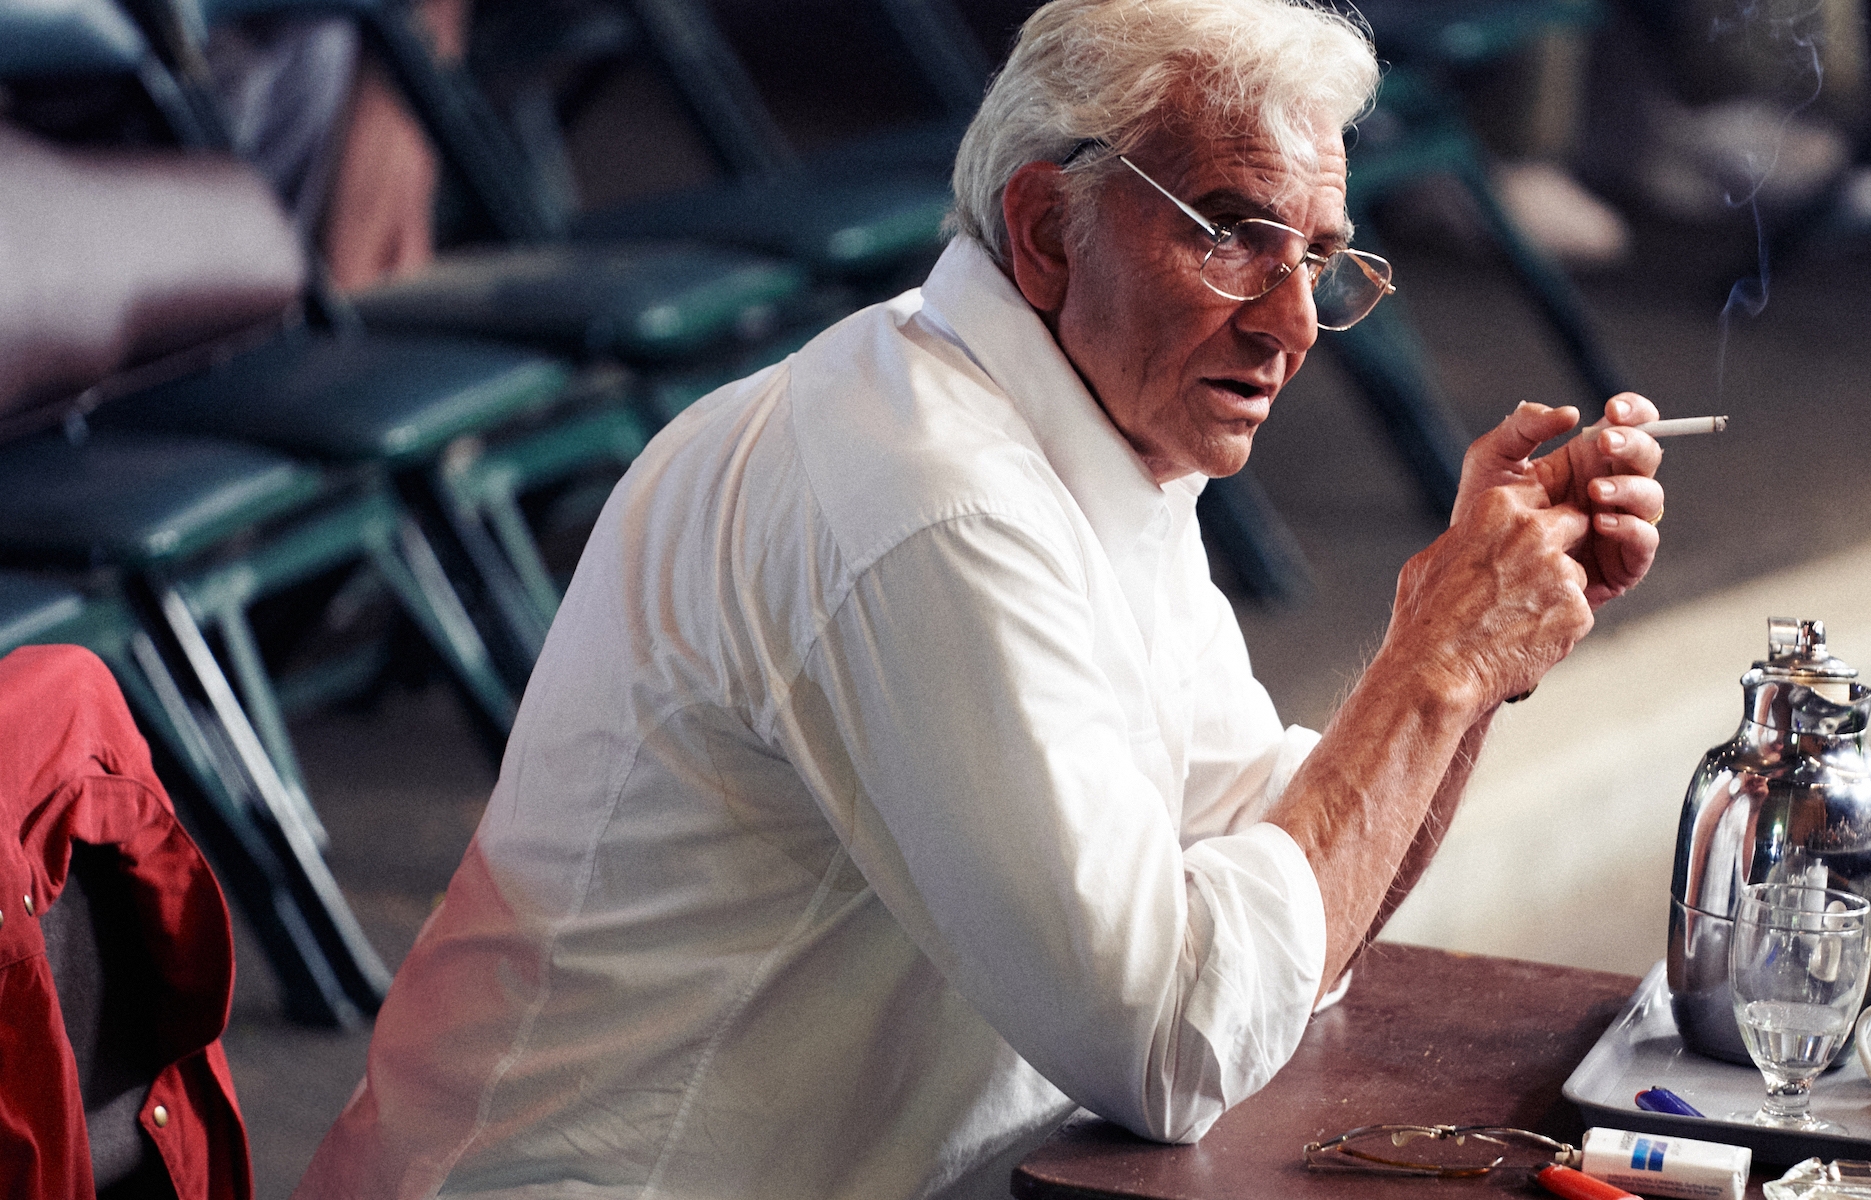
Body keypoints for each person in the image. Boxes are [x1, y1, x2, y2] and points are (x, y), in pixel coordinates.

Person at [296, 1, 1666, 1196]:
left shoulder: (1079, 431)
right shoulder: (934, 498)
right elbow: (1178, 1040)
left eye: (1319, 258)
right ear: (1045, 227)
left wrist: (1479, 653)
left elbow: (1287, 906)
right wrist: (1433, 662)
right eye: (1239, 237)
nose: (1293, 322)